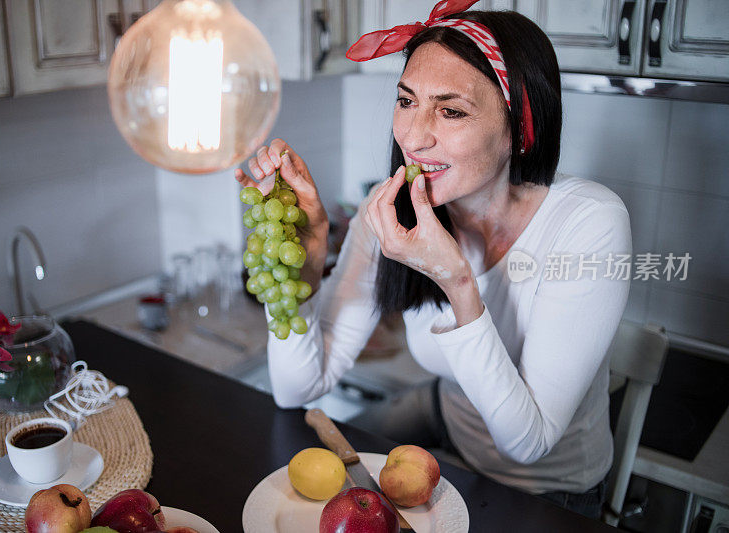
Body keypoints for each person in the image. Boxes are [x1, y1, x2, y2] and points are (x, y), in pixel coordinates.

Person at [234, 0, 630, 520]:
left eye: (451, 110)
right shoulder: (394, 207)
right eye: (406, 100)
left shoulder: (590, 224)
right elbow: (296, 389)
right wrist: (304, 268)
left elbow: (528, 442)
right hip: (445, 440)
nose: (413, 137)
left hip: (546, 492)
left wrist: (455, 278)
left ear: (519, 128)